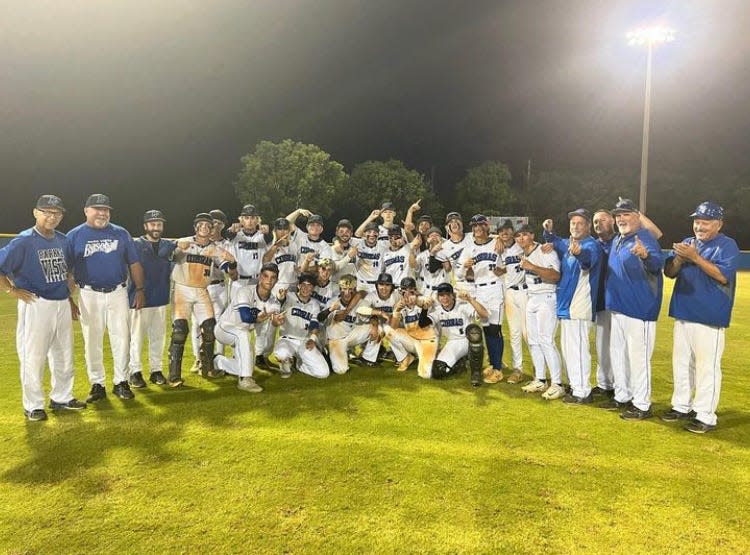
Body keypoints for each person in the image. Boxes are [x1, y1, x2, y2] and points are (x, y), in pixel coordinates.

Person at [0, 195, 86, 421]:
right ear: (35, 213)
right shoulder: (24, 240)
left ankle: (62, 397)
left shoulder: (62, 239)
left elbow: (66, 271)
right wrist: (11, 290)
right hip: (36, 304)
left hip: (61, 304)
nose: (52, 216)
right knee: (33, 356)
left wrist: (69, 300)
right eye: (46, 212)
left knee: (64, 354)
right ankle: (33, 405)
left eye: (56, 213)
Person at [662, 202, 739, 433]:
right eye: (697, 221)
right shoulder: (688, 243)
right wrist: (678, 259)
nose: (699, 226)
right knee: (682, 364)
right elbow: (670, 273)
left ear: (719, 224)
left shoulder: (727, 245)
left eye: (705, 222)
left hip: (709, 316)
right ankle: (681, 406)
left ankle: (705, 415)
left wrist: (694, 257)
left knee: (707, 367)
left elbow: (722, 276)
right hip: (684, 312)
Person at [67, 194, 145, 402]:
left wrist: (140, 289)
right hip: (88, 293)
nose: (102, 213)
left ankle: (121, 381)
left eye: (106, 210)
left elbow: (134, 263)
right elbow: (68, 271)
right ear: (86, 211)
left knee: (122, 337)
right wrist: (69, 299)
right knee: (92, 340)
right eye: (97, 209)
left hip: (118, 292)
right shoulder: (75, 235)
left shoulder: (121, 233)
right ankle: (97, 384)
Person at [604, 198, 663, 420]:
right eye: (618, 215)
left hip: (640, 310)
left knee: (638, 359)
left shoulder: (644, 238)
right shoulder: (619, 238)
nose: (621, 219)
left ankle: (642, 404)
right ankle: (622, 396)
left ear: (638, 217)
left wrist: (646, 255)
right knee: (619, 356)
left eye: (626, 214)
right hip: (619, 308)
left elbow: (657, 264)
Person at [168, 212, 237, 386]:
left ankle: (206, 367)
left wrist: (233, 262)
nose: (205, 228)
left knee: (209, 328)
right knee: (180, 330)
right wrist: (174, 246)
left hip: (201, 290)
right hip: (182, 289)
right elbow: (165, 254)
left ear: (212, 228)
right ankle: (174, 375)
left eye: (208, 225)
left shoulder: (215, 248)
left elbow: (229, 270)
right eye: (201, 225)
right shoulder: (185, 241)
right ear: (196, 227)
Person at [542, 210, 603, 404]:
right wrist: (548, 232)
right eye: (572, 223)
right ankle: (575, 386)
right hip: (567, 307)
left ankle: (583, 391)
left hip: (579, 306)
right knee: (569, 349)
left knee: (577, 350)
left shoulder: (591, 245)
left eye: (580, 223)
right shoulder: (569, 244)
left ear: (588, 227)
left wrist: (579, 254)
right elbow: (557, 241)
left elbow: (587, 261)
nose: (575, 226)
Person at [214, 263, 284, 392]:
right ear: (259, 277)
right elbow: (245, 316)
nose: (269, 280)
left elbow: (270, 322)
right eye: (266, 276)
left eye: (273, 277)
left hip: (241, 336)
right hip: (225, 329)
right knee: (244, 334)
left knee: (247, 366)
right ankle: (245, 380)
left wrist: (274, 322)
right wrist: (258, 317)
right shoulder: (245, 291)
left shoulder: (273, 302)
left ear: (277, 280)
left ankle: (218, 361)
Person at [128, 210, 176, 388]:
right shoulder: (136, 244)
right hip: (139, 298)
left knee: (158, 337)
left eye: (159, 224)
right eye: (153, 224)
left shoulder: (167, 244)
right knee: (137, 338)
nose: (156, 227)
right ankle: (135, 372)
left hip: (160, 298)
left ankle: (156, 370)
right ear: (145, 226)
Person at [515, 225, 564, 400]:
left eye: (524, 234)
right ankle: (540, 379)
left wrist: (532, 267)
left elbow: (555, 276)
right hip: (532, 297)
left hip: (547, 296)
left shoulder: (545, 250)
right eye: (518, 236)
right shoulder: (523, 253)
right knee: (534, 341)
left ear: (532, 235)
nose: (521, 238)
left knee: (546, 340)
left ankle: (557, 384)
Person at [455, 214, 505, 384]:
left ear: (486, 226)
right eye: (474, 226)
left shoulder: (496, 243)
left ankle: (498, 368)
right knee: (486, 329)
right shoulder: (469, 248)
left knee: (495, 329)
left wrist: (498, 237)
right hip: (479, 289)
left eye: (480, 225)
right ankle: (493, 364)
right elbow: (458, 274)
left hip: (495, 287)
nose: (477, 229)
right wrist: (464, 266)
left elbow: (505, 259)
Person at [429, 282, 488, 386]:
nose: (445, 298)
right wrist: (424, 309)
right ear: (438, 298)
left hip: (468, 341)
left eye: (448, 294)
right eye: (442, 295)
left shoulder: (462, 306)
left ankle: (476, 374)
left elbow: (484, 315)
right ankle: (460, 364)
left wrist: (469, 299)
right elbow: (423, 324)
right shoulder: (438, 311)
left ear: (453, 295)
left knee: (474, 330)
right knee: (438, 371)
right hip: (452, 343)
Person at [272, 272, 329, 379]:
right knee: (282, 355)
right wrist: (280, 296)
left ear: (313, 289)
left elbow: (314, 323)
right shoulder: (289, 297)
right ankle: (286, 367)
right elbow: (281, 299)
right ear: (298, 285)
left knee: (323, 373)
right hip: (287, 339)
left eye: (309, 286)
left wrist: (312, 339)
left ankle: (299, 365)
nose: (306, 288)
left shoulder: (314, 304)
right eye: (303, 285)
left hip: (304, 341)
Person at [385, 277, 439, 378]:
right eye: (404, 291)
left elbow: (430, 301)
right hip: (412, 340)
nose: (407, 295)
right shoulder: (400, 305)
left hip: (426, 340)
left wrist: (417, 299)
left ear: (415, 290)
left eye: (410, 291)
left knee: (425, 374)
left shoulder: (423, 300)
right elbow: (393, 327)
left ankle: (435, 355)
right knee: (388, 330)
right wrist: (396, 312)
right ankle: (406, 358)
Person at [318, 274, 371, 374]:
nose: (347, 292)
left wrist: (375, 324)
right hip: (335, 340)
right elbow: (319, 318)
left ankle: (368, 358)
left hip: (350, 336)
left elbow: (371, 315)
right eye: (344, 289)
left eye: (350, 289)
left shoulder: (361, 302)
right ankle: (329, 353)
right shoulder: (333, 302)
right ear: (339, 289)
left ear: (355, 289)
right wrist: (330, 310)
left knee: (377, 329)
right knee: (341, 370)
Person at [496, 219, 528, 383]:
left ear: (511, 230)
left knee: (528, 333)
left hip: (525, 292)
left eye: (507, 229)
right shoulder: (501, 250)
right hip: (510, 293)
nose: (504, 233)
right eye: (500, 231)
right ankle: (518, 369)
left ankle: (541, 372)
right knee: (514, 333)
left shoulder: (521, 244)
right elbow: (500, 270)